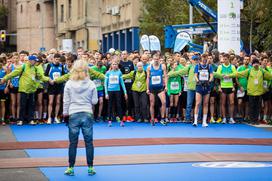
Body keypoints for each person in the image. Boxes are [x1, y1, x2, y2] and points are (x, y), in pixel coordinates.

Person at [63, 59, 98, 176]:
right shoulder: (91, 83)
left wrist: (65, 114)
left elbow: (66, 101)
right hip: (87, 113)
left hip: (73, 113)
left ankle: (71, 168)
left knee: (73, 143)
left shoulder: (69, 83)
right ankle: (90, 167)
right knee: (89, 142)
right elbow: (95, 101)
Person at [1, 55, 50, 125]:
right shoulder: (23, 67)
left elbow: (41, 77)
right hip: (23, 89)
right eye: (34, 60)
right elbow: (13, 74)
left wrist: (48, 79)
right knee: (22, 104)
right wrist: (5, 78)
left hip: (32, 89)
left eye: (36, 61)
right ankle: (21, 120)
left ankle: (31, 120)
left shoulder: (35, 68)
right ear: (30, 61)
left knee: (31, 105)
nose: (36, 62)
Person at [146, 51, 168, 126]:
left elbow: (165, 76)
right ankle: (152, 119)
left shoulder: (163, 66)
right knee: (152, 104)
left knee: (164, 102)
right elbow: (148, 78)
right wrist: (147, 88)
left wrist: (166, 86)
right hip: (152, 88)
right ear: (152, 58)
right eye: (155, 57)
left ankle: (162, 118)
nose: (156, 58)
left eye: (157, 57)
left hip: (160, 88)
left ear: (159, 58)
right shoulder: (149, 67)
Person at [104, 60, 127, 127]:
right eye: (113, 64)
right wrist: (106, 93)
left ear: (117, 65)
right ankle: (110, 121)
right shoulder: (108, 73)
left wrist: (125, 92)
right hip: (110, 91)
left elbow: (122, 83)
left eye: (116, 64)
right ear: (111, 65)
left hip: (118, 91)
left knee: (119, 105)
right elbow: (105, 83)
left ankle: (121, 121)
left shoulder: (119, 72)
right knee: (110, 106)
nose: (114, 65)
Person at [193, 54, 214, 127]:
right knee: (198, 103)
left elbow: (211, 75)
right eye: (203, 57)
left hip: (207, 86)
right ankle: (195, 121)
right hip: (199, 86)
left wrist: (209, 81)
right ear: (201, 58)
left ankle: (204, 122)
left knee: (205, 103)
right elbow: (195, 75)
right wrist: (198, 81)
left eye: (206, 57)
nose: (205, 59)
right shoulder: (197, 66)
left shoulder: (209, 66)